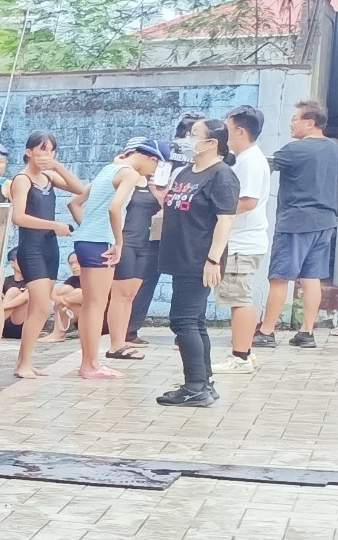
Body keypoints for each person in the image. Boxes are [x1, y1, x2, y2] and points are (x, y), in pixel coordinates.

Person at [155, 117, 242, 408]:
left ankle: (194, 387)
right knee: (195, 321)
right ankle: (203, 382)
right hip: (180, 256)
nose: (186, 139)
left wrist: (213, 259)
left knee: (183, 321)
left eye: (194, 135)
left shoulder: (222, 175)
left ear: (212, 143)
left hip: (199, 258)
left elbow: (225, 221)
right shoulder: (186, 171)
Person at [257, 100, 338, 350]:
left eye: (295, 119)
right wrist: (327, 196)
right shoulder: (335, 150)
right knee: (312, 277)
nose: (291, 123)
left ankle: (267, 331)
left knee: (280, 277)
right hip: (325, 221)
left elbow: (262, 167)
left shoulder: (294, 150)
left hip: (296, 220)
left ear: (310, 123)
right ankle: (307, 332)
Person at [67, 140, 156, 378]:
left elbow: (73, 202)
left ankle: (88, 364)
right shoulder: (129, 173)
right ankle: (91, 366)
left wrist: (88, 228)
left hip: (85, 241)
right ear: (151, 159)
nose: (152, 172)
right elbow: (115, 207)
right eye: (155, 166)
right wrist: (118, 242)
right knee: (96, 305)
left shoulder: (109, 169)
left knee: (90, 305)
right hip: (101, 243)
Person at [5, 132, 78, 380]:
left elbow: (79, 189)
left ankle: (25, 361)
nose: (47, 155)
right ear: (29, 152)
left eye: (51, 150)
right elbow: (19, 217)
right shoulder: (22, 179)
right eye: (42, 149)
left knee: (41, 308)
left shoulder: (49, 177)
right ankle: (22, 362)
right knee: (41, 307)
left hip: (50, 248)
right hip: (32, 248)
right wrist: (54, 225)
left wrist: (57, 166)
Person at [216, 107, 272, 375]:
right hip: (242, 241)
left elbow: (248, 201)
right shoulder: (244, 159)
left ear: (240, 131)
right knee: (239, 297)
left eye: (227, 129)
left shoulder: (250, 160)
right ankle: (245, 352)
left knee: (240, 299)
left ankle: (241, 357)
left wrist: (217, 212)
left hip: (242, 242)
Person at [105, 137, 170, 364]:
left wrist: (157, 190)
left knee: (130, 296)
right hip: (125, 241)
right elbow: (111, 206)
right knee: (120, 295)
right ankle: (115, 344)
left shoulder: (148, 182)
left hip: (144, 242)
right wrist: (116, 240)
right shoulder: (124, 175)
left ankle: (123, 340)